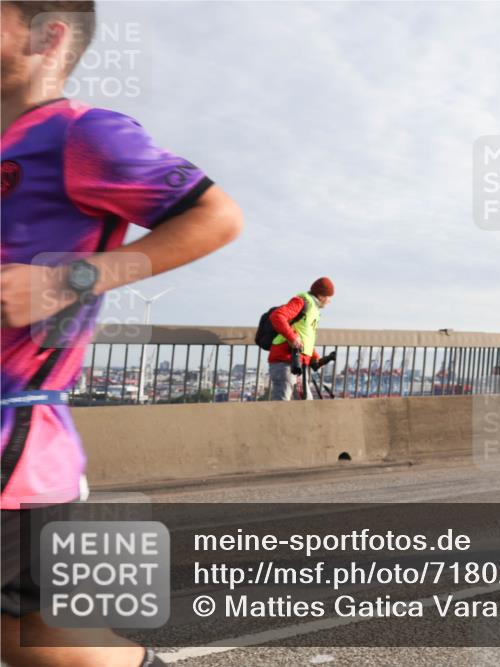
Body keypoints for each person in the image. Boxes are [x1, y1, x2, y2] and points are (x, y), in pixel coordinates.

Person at [0, 2, 242, 666]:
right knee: (38, 640)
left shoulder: (83, 136)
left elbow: (217, 217)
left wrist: (66, 281)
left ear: (48, 36)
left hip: (12, 443)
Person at [268, 277, 334, 400]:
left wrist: (314, 356)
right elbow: (277, 316)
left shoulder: (314, 309)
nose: (330, 301)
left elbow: (304, 335)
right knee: (281, 405)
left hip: (298, 363)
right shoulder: (302, 301)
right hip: (284, 361)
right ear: (321, 295)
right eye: (329, 297)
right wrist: (292, 338)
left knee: (306, 406)